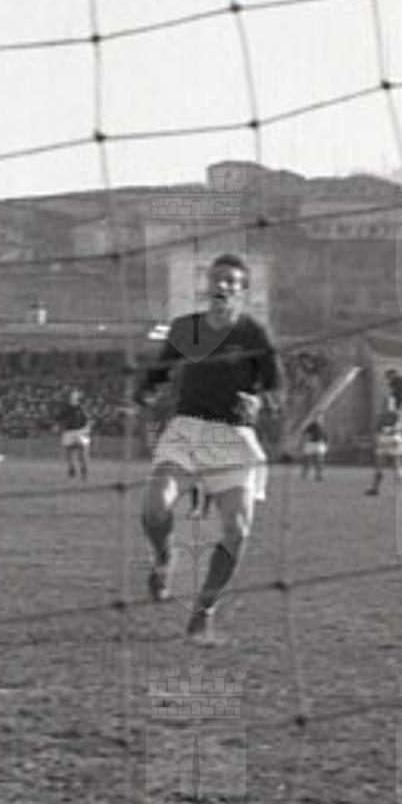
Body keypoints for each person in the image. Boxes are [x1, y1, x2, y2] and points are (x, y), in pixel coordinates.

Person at [136, 253, 281, 643]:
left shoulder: (254, 334)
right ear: (207, 285)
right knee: (154, 509)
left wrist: (259, 402)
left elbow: (274, 387)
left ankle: (204, 610)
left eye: (231, 281)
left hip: (234, 438)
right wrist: (145, 393)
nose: (222, 285)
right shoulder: (185, 328)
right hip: (187, 431)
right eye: (217, 278)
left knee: (237, 530)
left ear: (242, 291)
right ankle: (164, 559)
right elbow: (158, 373)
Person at [368, 373, 402, 496]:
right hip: (397, 435)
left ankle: (375, 488)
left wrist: (378, 426)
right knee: (397, 465)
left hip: (386, 434)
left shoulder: (390, 399)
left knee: (379, 464)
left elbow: (387, 414)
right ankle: (400, 490)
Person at [58, 385, 94, 481]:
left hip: (82, 431)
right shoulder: (65, 407)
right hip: (69, 431)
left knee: (82, 454)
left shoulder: (82, 407)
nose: (74, 396)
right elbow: (60, 418)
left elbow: (88, 419)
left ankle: (84, 471)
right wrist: (60, 426)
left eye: (75, 394)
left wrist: (88, 429)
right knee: (68, 452)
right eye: (72, 394)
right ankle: (71, 467)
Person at [299, 415, 329, 482]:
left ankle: (319, 475)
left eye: (321, 418)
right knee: (307, 460)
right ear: (315, 418)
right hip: (311, 444)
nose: (319, 419)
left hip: (320, 444)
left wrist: (326, 444)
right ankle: (305, 474)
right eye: (318, 417)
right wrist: (307, 437)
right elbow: (304, 433)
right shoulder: (311, 426)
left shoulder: (323, 426)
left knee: (320, 461)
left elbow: (325, 436)